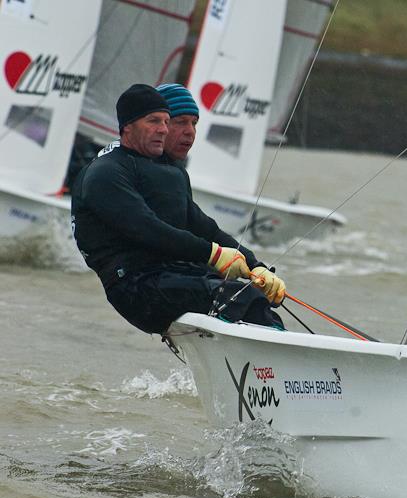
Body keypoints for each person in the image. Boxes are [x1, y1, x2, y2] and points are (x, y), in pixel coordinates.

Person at [71, 83, 285, 335]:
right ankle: (278, 366)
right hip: (134, 287)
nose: (165, 129)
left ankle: (279, 361)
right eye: (159, 121)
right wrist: (213, 255)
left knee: (252, 296)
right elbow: (147, 228)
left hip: (168, 275)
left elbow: (204, 227)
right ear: (127, 125)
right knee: (238, 297)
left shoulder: (171, 172)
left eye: (166, 121)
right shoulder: (106, 172)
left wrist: (255, 266)